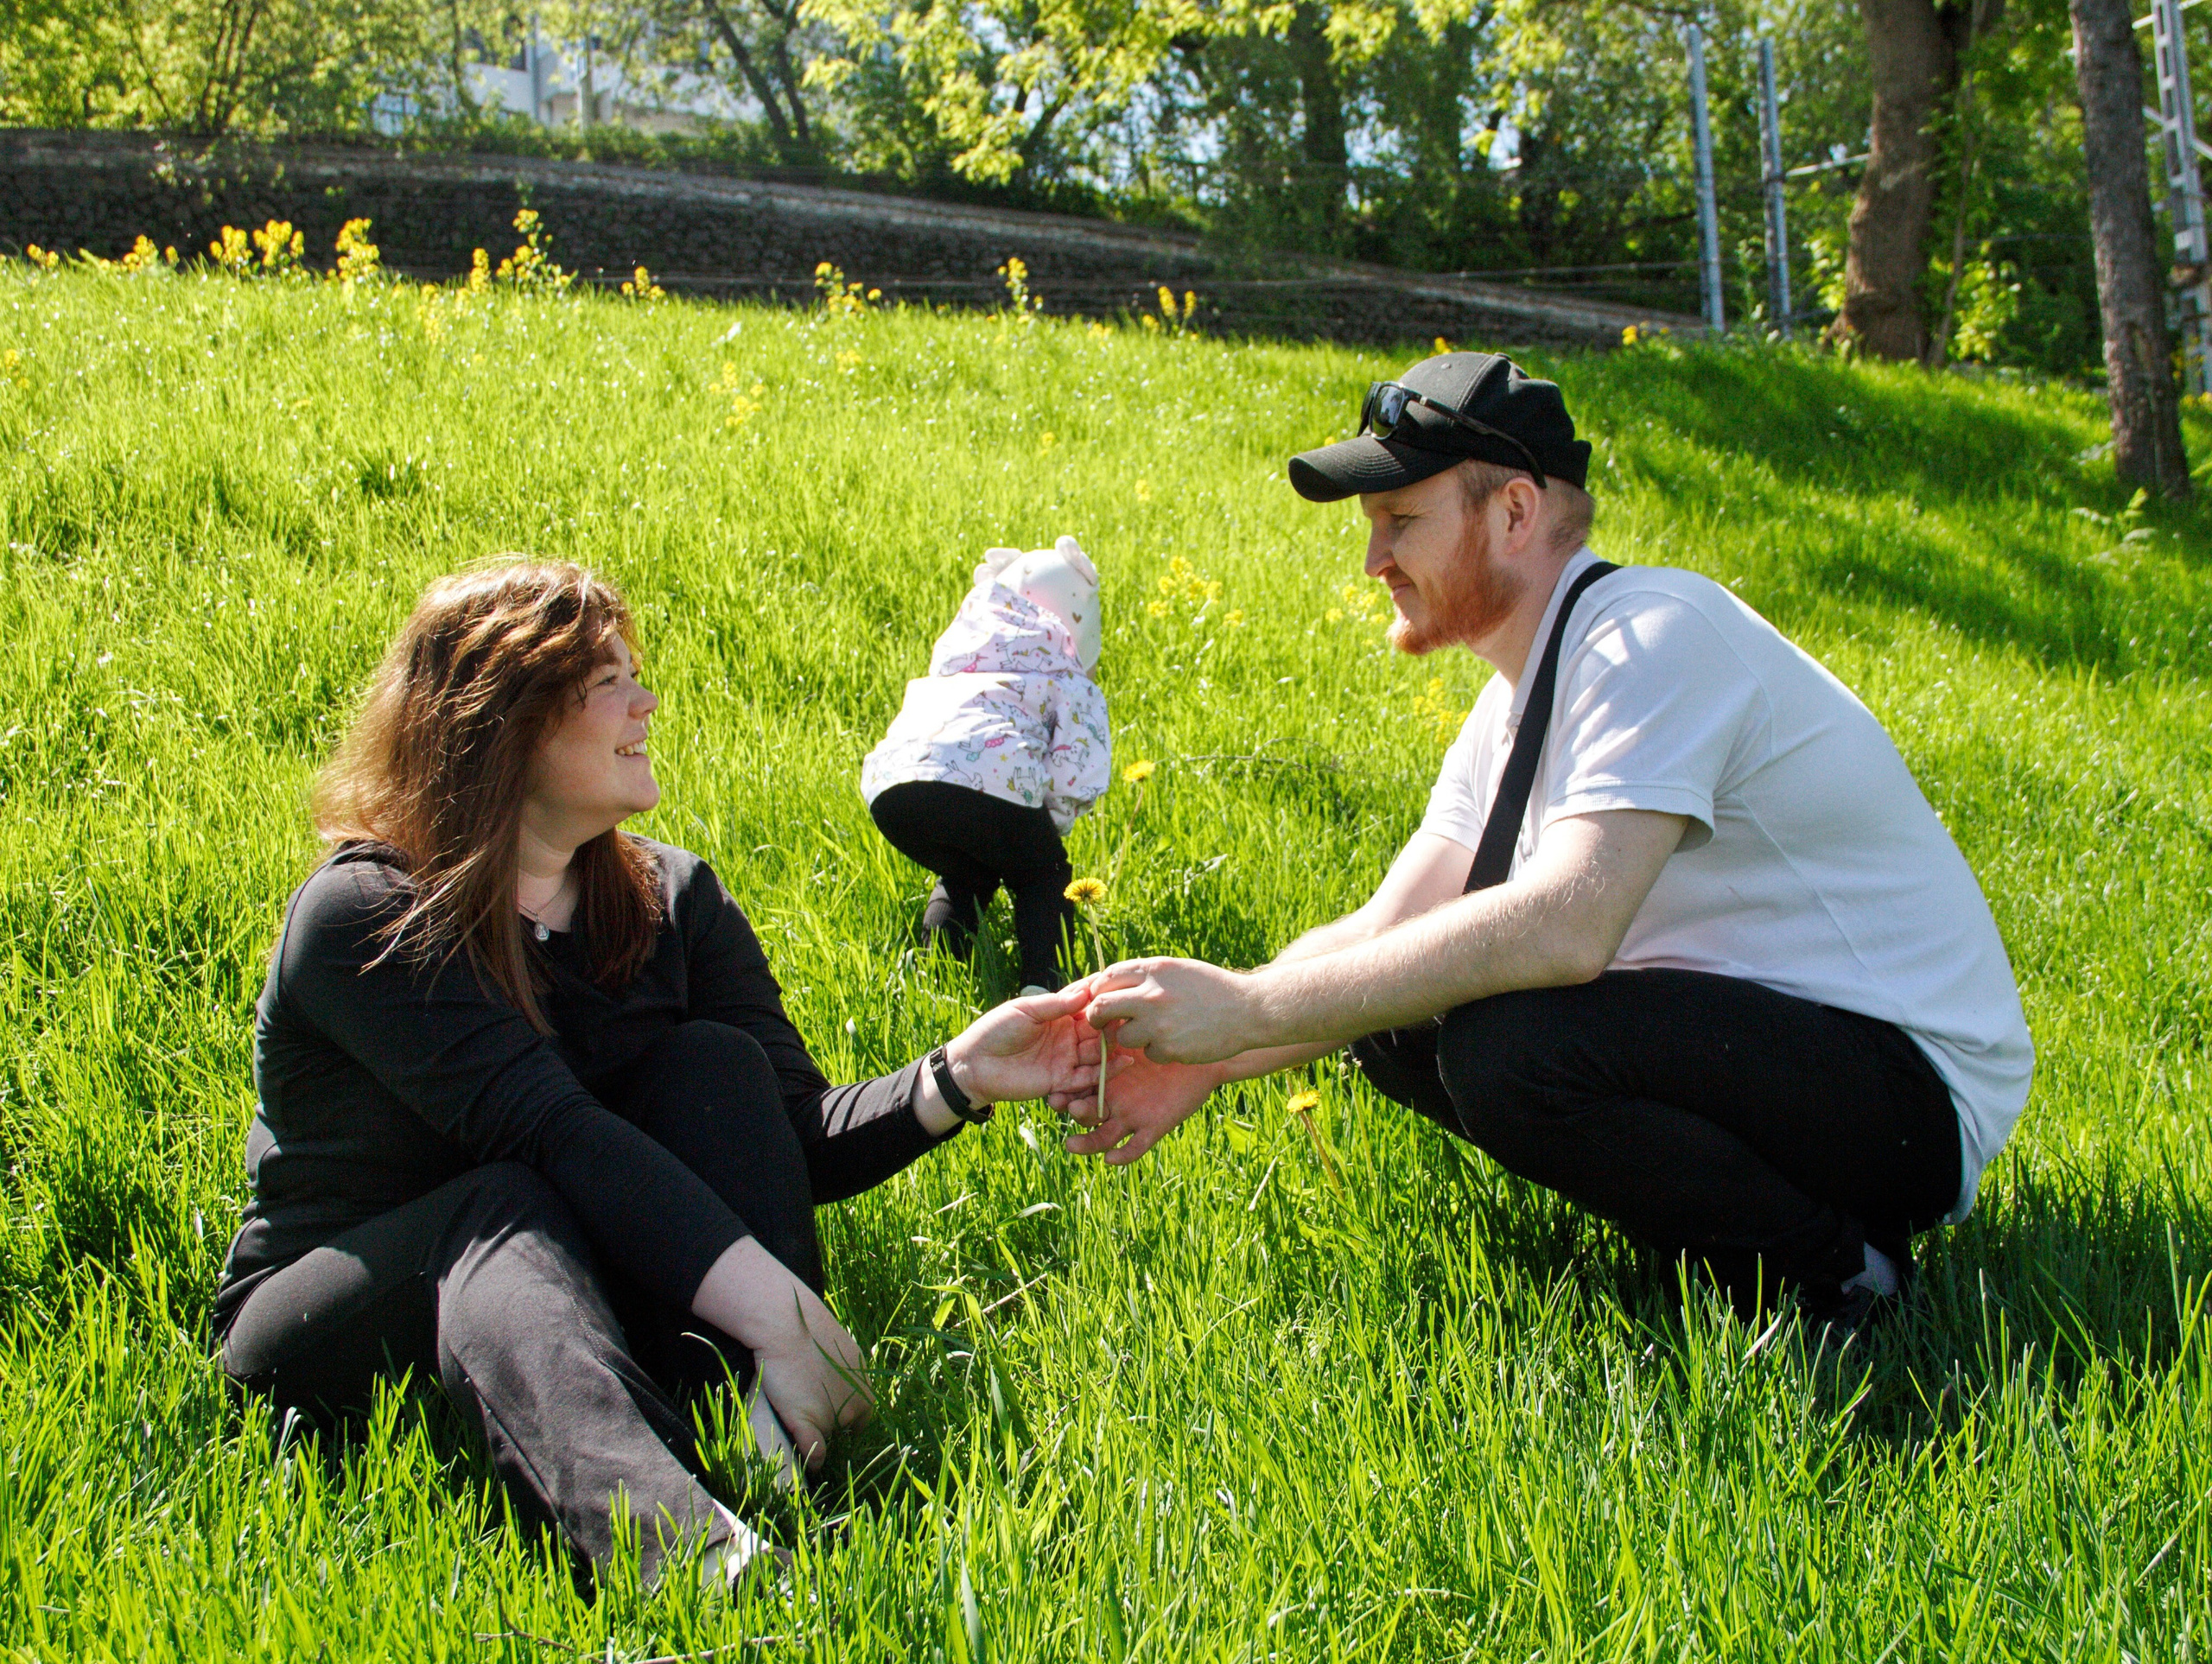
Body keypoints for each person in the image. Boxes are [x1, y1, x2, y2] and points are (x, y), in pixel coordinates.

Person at [1068, 351, 2034, 1321]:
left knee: (1509, 1044)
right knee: (1394, 1015)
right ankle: (1731, 1239)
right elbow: (1388, 928)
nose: (1373, 562)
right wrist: (1206, 1051)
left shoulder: (1653, 634)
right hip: (1773, 1059)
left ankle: (1836, 1275)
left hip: (1913, 1095)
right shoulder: (1514, 703)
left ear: (1515, 514)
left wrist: (1252, 1008)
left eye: (1401, 521)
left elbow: (1567, 930)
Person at [214, 558, 1105, 1590]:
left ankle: (767, 1443)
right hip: (345, 1310)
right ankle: (692, 1561)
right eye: (606, 683)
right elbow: (551, 1133)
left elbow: (787, 1134)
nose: (646, 703)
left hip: (577, 1284)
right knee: (503, 1199)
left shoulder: (670, 895)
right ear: (500, 718)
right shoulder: (367, 912)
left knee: (712, 1066)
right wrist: (780, 1311)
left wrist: (959, 1076)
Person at [862, 536, 1109, 995]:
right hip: (992, 786)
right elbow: (1077, 769)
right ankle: (1044, 991)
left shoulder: (962, 658)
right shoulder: (1063, 676)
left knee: (969, 872)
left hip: (893, 791)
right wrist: (1048, 825)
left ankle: (934, 979)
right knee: (1042, 874)